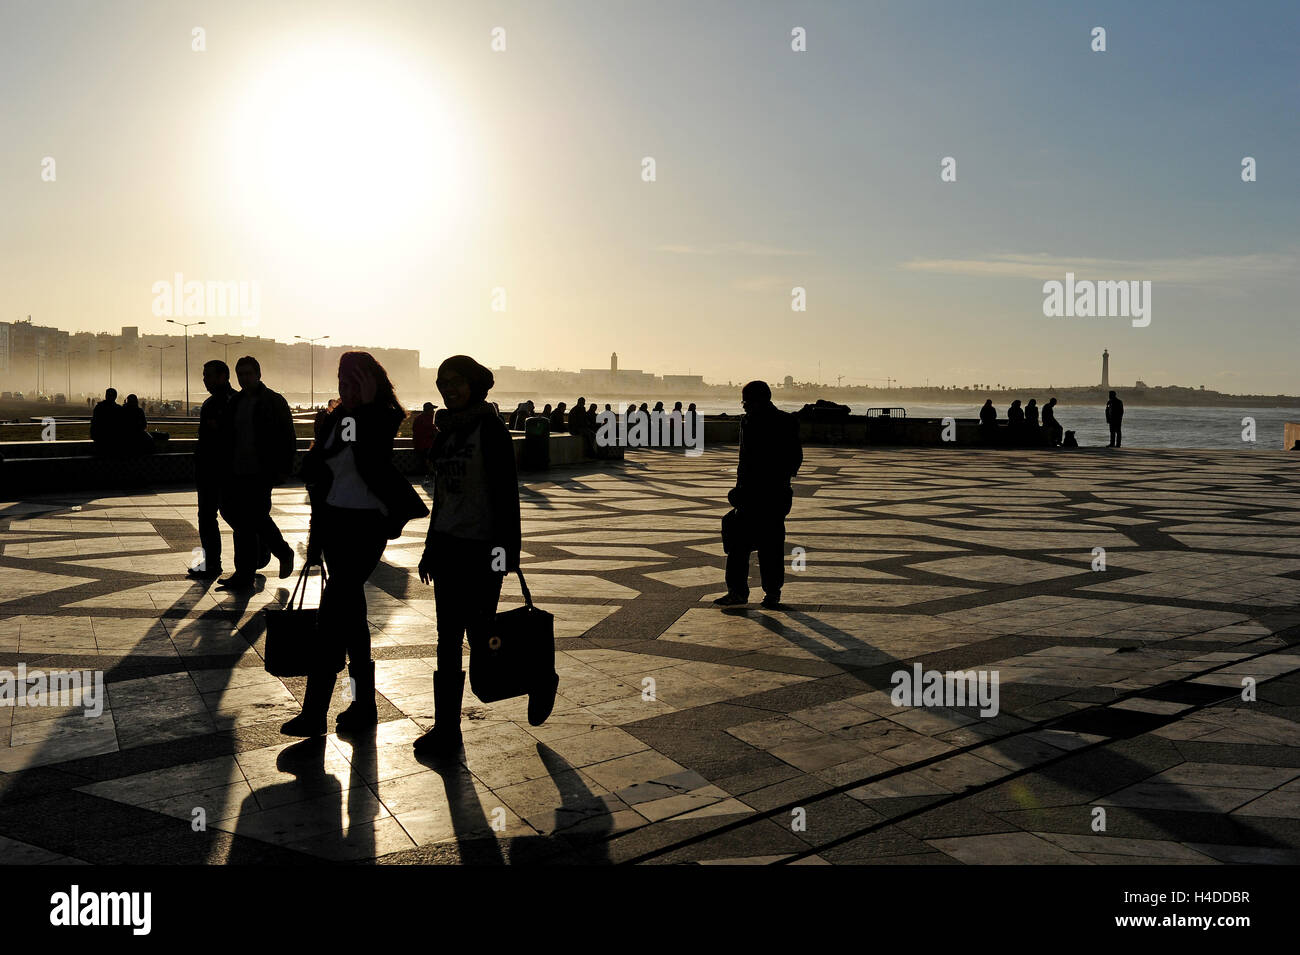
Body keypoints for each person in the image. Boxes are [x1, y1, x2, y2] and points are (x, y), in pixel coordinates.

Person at [282, 352, 429, 736]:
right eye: (342, 382)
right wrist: (315, 543)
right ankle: (364, 705)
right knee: (352, 619)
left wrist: (365, 403)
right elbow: (317, 479)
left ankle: (314, 713)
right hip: (335, 523)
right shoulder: (333, 420)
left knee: (331, 617)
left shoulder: (382, 417)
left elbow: (373, 448)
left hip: (367, 526)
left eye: (355, 382)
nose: (346, 389)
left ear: (372, 383)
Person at [413, 356, 545, 758]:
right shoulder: (447, 431)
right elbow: (443, 498)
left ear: (473, 384)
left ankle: (538, 676)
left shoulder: (489, 429)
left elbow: (507, 495)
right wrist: (430, 547)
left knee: (482, 636)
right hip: (449, 547)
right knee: (447, 638)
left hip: (482, 549)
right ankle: (447, 730)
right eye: (441, 382)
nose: (447, 388)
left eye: (455, 381)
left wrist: (507, 552)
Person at [715, 380, 802, 610]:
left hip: (769, 496)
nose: (743, 405)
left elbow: (792, 458)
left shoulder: (782, 422)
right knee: (744, 545)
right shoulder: (750, 421)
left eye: (746, 401)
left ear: (760, 399)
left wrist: (773, 482)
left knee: (766, 546)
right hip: (755, 495)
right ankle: (747, 592)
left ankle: (763, 592)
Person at [216, 356, 297, 590]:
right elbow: (226, 437)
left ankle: (279, 553)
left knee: (256, 518)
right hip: (236, 472)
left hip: (261, 471)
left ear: (258, 374)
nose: (244, 378)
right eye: (240, 374)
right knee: (242, 523)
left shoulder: (273, 401)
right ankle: (246, 572)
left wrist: (283, 469)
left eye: (248, 373)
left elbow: (287, 438)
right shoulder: (236, 402)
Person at [190, 361, 236, 580]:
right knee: (211, 516)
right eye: (204, 375)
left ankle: (214, 564)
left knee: (217, 516)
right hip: (213, 470)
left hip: (219, 470)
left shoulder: (227, 402)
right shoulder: (218, 402)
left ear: (223, 376)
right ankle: (212, 563)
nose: (205, 380)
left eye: (208, 375)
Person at [90, 388, 122, 454]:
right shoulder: (118, 409)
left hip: (100, 439)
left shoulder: (99, 407)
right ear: (115, 397)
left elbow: (94, 422)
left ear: (106, 396)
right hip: (115, 440)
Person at [412, 401, 437, 482]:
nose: (433, 411)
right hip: (426, 446)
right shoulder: (427, 419)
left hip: (421, 446)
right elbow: (430, 433)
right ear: (428, 410)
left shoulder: (418, 418)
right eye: (432, 410)